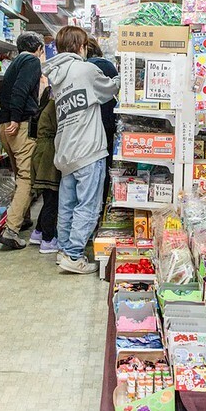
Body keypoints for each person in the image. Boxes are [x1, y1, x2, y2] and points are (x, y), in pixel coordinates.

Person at [43, 26, 120, 274]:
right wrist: (125, 75)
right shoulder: (86, 69)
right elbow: (110, 90)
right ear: (81, 46)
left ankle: (64, 251)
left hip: (66, 150)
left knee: (67, 205)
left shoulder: (57, 74)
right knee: (88, 205)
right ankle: (74, 255)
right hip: (88, 149)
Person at [0, 31, 45, 249]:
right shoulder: (32, 61)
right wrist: (16, 118)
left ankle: (23, 218)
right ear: (39, 49)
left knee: (19, 174)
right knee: (27, 177)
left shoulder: (15, 63)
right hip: (19, 126)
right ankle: (11, 230)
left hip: (4, 126)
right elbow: (21, 90)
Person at [28, 76, 61, 254]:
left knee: (48, 197)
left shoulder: (45, 106)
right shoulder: (54, 106)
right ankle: (48, 240)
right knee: (52, 199)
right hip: (49, 155)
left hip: (42, 153)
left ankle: (39, 232)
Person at [85, 37, 119, 206]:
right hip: (107, 119)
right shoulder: (107, 65)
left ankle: (91, 201)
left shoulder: (80, 67)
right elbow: (116, 89)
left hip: (86, 124)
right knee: (105, 161)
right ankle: (104, 201)